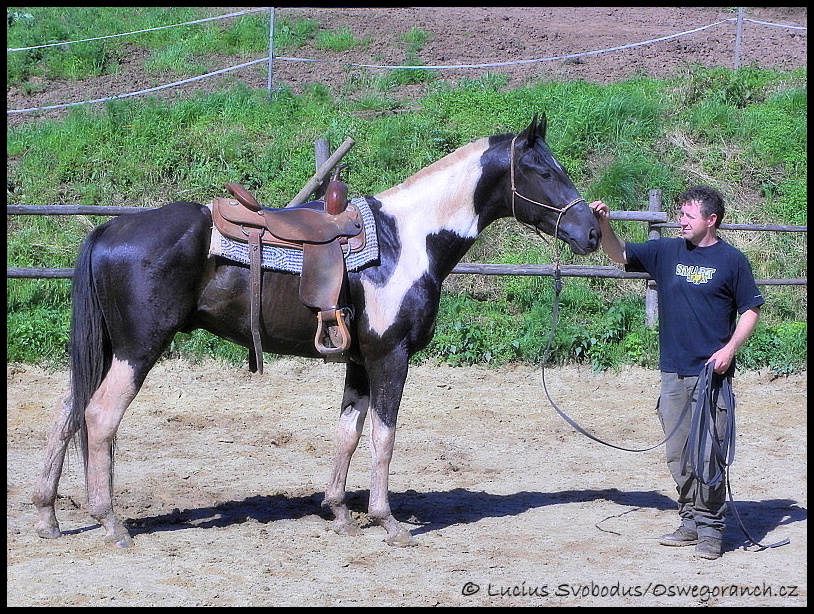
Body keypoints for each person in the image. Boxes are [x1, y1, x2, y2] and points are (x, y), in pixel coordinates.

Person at [589, 185, 764, 560]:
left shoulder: (733, 261)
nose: (680, 221)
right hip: (673, 371)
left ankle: (711, 529)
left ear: (710, 220)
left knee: (709, 454)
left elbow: (750, 308)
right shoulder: (667, 251)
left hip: (710, 373)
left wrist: (730, 349)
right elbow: (619, 253)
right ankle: (689, 519)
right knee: (678, 454)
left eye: (688, 216)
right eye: (680, 215)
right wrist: (604, 224)